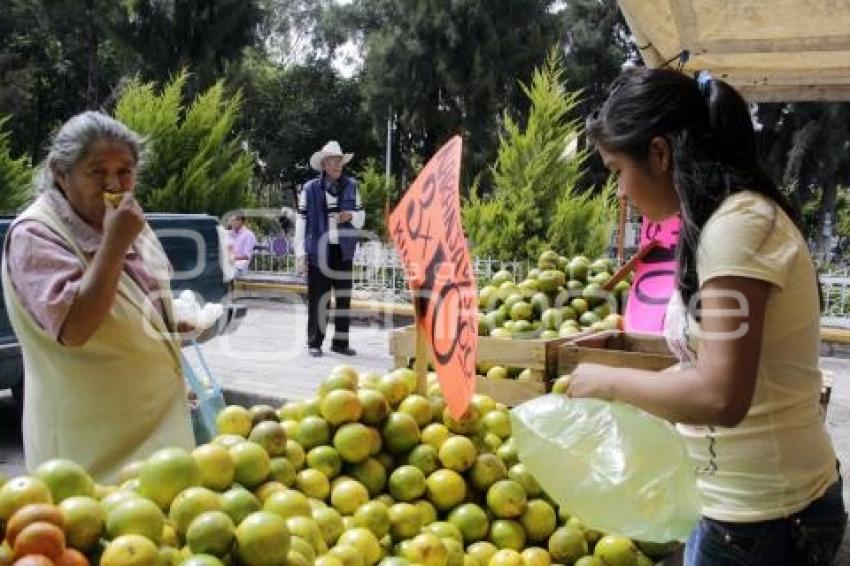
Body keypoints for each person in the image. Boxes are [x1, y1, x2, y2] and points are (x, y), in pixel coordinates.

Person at [569, 68, 846, 565]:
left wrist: (606, 381)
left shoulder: (737, 228)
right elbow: (724, 366)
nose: (620, 193)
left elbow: (721, 395)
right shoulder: (725, 222)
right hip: (745, 509)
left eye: (616, 171)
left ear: (659, 154)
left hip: (763, 519)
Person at [1, 111, 194, 482]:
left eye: (124, 171)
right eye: (96, 171)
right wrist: (115, 241)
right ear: (61, 173)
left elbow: (144, 297)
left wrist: (169, 326)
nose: (113, 183)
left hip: (156, 440)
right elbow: (75, 326)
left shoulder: (126, 220)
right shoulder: (35, 235)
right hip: (91, 457)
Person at [295, 141, 365, 357]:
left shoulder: (352, 186)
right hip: (318, 251)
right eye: (333, 161)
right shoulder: (309, 189)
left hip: (343, 251)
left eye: (340, 161)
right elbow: (301, 221)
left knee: (344, 298)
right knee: (318, 298)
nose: (337, 165)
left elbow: (361, 218)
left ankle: (340, 343)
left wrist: (351, 216)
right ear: (324, 164)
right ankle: (314, 343)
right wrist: (300, 254)